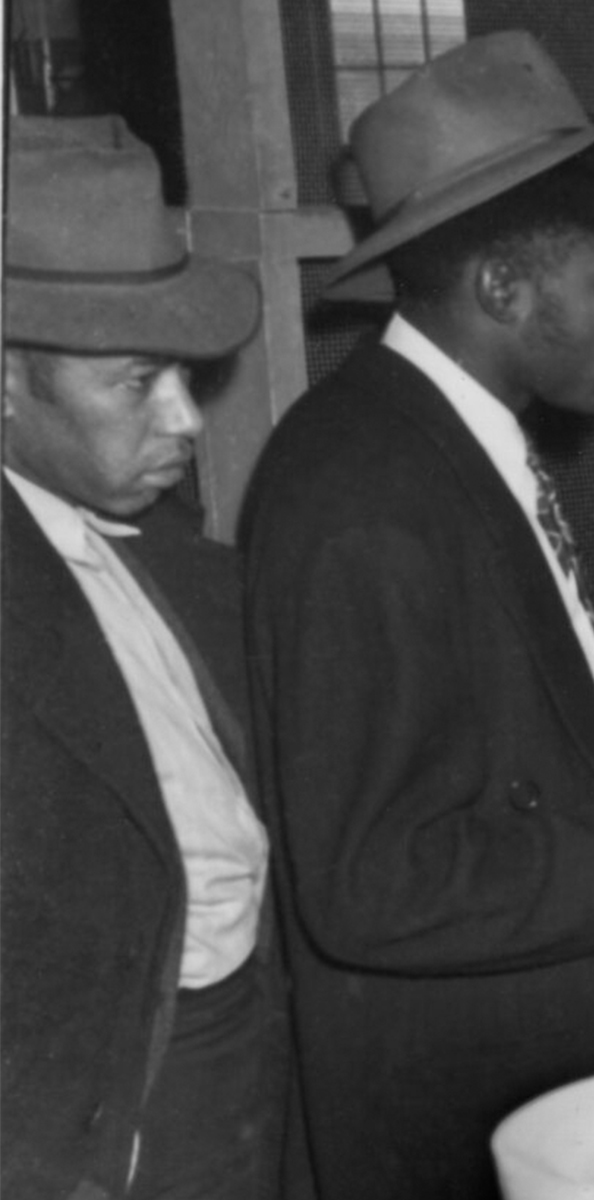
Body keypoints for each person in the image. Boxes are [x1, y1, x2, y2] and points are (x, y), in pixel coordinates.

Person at [238, 34, 594, 1200]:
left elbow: (461, 738)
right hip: (450, 1123)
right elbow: (375, 884)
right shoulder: (363, 494)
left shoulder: (447, 440)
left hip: (525, 1089)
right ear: (502, 289)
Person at [2, 115, 291, 1200]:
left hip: (234, 1053)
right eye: (136, 382)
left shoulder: (155, 541)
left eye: (182, 374)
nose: (186, 419)